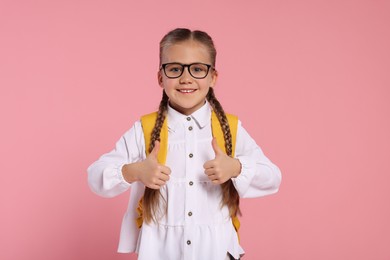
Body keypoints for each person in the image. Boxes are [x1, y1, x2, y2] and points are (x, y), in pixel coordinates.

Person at [87, 28, 281, 260]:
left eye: (197, 69)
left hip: (216, 251)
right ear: (161, 77)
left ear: (213, 77)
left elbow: (273, 177)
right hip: (159, 253)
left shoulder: (229, 127)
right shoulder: (144, 129)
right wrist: (135, 171)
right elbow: (95, 177)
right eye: (175, 69)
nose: (186, 78)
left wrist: (236, 168)